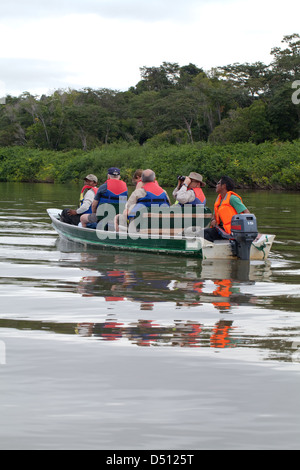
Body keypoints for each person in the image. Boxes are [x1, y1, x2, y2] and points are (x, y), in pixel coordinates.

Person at [204, 175, 250, 242]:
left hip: (232, 232)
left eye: (218, 183)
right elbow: (214, 216)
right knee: (202, 232)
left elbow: (247, 214)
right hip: (221, 230)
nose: (216, 185)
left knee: (205, 233)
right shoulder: (219, 200)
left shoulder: (232, 198)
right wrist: (213, 220)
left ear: (224, 186)